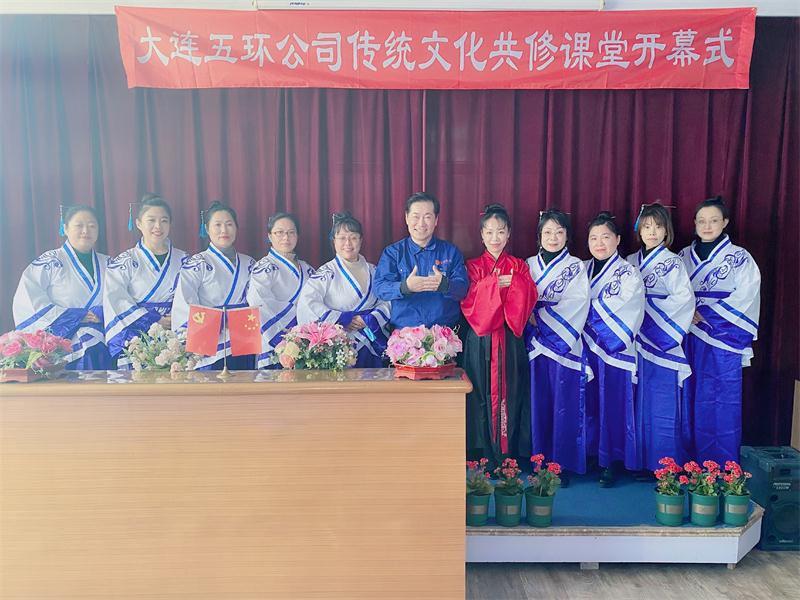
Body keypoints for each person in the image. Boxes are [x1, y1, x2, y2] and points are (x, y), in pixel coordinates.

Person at [679, 196, 761, 465]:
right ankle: (687, 461)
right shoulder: (682, 257)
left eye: (714, 220)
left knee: (721, 398)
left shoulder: (739, 258)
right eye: (701, 221)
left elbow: (747, 295)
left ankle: (721, 464)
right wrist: (685, 312)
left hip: (723, 337)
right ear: (694, 223)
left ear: (725, 222)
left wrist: (706, 314)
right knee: (688, 394)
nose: (707, 226)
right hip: (688, 335)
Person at [461, 204, 538, 469]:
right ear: (482, 235)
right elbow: (470, 301)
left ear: (508, 234)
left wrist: (513, 285)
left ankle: (508, 452)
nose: (495, 238)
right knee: (479, 394)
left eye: (501, 232)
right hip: (481, 339)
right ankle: (482, 453)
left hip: (509, 339)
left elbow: (528, 296)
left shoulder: (519, 266)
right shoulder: (472, 267)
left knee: (511, 393)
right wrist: (496, 284)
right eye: (490, 232)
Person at [626, 203, 694, 473]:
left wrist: (648, 317)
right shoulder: (630, 262)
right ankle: (637, 462)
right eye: (646, 226)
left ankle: (663, 465)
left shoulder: (673, 263)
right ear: (639, 230)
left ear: (667, 230)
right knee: (635, 400)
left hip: (661, 340)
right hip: (634, 340)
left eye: (658, 226)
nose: (652, 232)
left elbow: (683, 300)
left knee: (661, 402)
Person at [526, 209, 591, 483]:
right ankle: (537, 460)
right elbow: (519, 298)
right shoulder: (528, 264)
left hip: (564, 343)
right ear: (539, 236)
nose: (553, 237)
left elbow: (578, 303)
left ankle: (560, 463)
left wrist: (540, 319)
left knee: (563, 403)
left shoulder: (576, 266)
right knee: (537, 402)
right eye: (548, 232)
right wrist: (528, 316)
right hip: (534, 344)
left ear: (567, 236)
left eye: (559, 232)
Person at [583, 211, 645, 486]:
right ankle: (589, 453)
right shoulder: (581, 269)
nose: (599, 243)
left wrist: (587, 313)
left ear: (618, 239)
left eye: (605, 237)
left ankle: (610, 460)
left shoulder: (629, 272)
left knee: (612, 402)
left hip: (613, 348)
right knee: (587, 401)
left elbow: (630, 308)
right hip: (585, 347)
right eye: (593, 238)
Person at [13, 205, 111, 369]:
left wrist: (101, 313)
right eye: (79, 225)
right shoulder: (50, 262)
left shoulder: (110, 264)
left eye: (92, 226)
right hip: (63, 339)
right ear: (65, 228)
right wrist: (75, 316)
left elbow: (122, 298)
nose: (85, 231)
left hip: (104, 335)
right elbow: (28, 299)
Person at [104, 194, 188, 368]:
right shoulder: (123, 262)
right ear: (138, 223)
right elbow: (116, 300)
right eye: (151, 220)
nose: (158, 226)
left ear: (170, 224)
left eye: (164, 221)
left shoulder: (185, 260)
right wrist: (153, 320)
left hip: (175, 332)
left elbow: (192, 298)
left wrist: (178, 317)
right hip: (137, 334)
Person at [297, 212, 390, 367]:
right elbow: (308, 303)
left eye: (353, 237)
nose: (348, 243)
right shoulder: (326, 273)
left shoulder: (374, 270)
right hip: (340, 345)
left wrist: (370, 318)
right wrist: (342, 319)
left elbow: (386, 300)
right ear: (334, 241)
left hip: (371, 340)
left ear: (361, 240)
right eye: (342, 238)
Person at [171, 201, 255, 370]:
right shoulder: (196, 263)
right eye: (217, 225)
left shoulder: (250, 263)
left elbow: (257, 301)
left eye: (229, 224)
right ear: (207, 229)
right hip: (209, 340)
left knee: (244, 382)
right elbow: (185, 303)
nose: (224, 230)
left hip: (243, 337)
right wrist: (220, 320)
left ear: (236, 228)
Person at [374, 192, 468, 329]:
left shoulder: (451, 252)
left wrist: (446, 285)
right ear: (407, 218)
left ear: (436, 220)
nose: (421, 223)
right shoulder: (393, 253)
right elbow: (379, 288)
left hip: (445, 332)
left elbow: (463, 289)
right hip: (404, 333)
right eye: (416, 216)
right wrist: (405, 287)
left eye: (427, 217)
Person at [247, 212, 314, 369]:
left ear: (297, 235)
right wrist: (290, 334)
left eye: (291, 232)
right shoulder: (263, 267)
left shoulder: (307, 269)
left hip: (307, 341)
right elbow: (258, 302)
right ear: (270, 236)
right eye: (279, 232)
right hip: (274, 341)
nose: (286, 237)